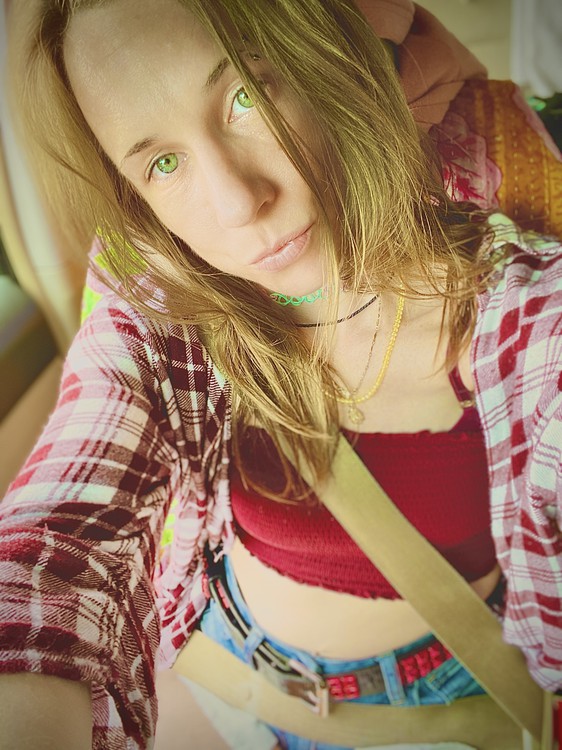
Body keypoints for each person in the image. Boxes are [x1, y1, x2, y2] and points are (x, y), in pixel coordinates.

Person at [1, 1, 561, 749]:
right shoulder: (163, 297)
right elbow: (65, 523)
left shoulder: (520, 315)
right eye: (163, 163)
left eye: (246, 97)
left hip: (436, 711)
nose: (239, 204)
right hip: (220, 662)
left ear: (322, 57)